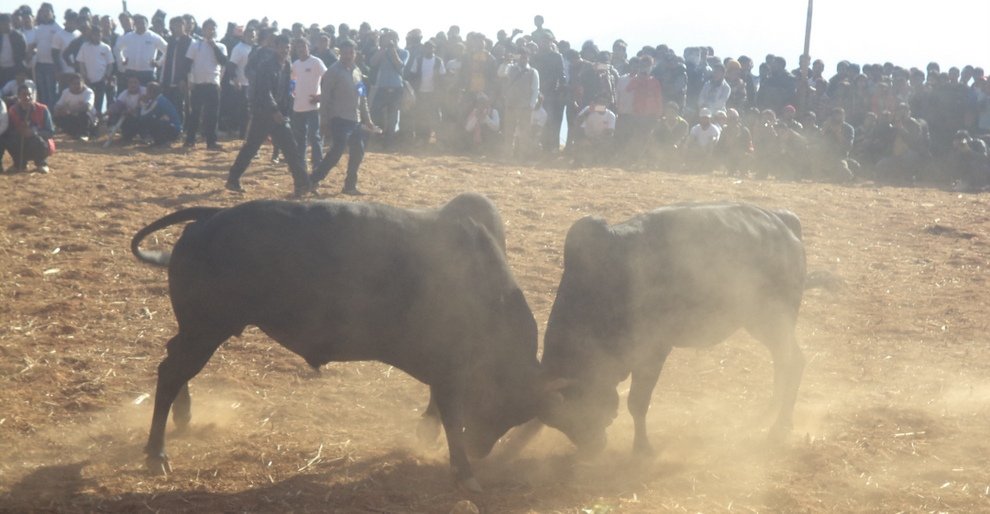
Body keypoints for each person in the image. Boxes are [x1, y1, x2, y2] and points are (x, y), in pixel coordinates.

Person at [226, 34, 311, 196]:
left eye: (287, 47)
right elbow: (264, 91)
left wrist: (283, 111)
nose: (284, 50)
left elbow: (286, 91)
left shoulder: (287, 65)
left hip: (277, 114)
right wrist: (274, 111)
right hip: (263, 114)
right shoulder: (266, 66)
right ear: (275, 47)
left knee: (290, 148)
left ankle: (302, 184)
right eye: (281, 47)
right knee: (251, 148)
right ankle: (233, 178)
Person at [311, 37, 378, 195]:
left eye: (351, 52)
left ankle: (349, 186)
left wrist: (368, 120)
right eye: (345, 53)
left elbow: (363, 98)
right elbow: (325, 97)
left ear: (355, 54)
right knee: (337, 151)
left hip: (354, 119)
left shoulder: (357, 72)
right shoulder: (333, 72)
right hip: (339, 118)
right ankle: (313, 179)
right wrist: (324, 121)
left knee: (358, 151)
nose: (348, 55)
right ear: (340, 53)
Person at [183, 18, 226, 150]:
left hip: (213, 83)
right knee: (195, 113)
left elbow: (223, 61)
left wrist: (213, 45)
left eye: (213, 28)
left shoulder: (221, 46)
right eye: (208, 28)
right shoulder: (195, 44)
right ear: (203, 30)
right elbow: (187, 64)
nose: (211, 31)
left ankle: (211, 142)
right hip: (198, 83)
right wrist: (190, 80)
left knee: (212, 114)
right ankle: (190, 140)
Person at [290, 37, 327, 172]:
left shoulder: (316, 62)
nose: (301, 49)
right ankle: (302, 164)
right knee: (300, 138)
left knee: (314, 136)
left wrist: (321, 96)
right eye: (298, 47)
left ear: (308, 48)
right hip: (298, 106)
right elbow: (292, 80)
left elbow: (328, 78)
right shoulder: (295, 64)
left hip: (313, 106)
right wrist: (292, 93)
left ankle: (317, 164)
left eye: (303, 46)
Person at [497, 46, 540, 158]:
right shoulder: (510, 68)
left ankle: (522, 155)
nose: (523, 59)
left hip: (525, 106)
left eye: (525, 57)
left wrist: (531, 105)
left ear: (528, 58)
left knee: (524, 132)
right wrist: (506, 62)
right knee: (509, 131)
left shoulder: (533, 72)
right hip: (511, 104)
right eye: (521, 56)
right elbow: (500, 73)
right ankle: (508, 154)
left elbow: (535, 89)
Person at [369, 29, 408, 150]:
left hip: (396, 88)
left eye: (393, 39)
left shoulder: (404, 52)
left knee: (393, 116)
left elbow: (400, 64)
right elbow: (372, 63)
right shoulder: (382, 52)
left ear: (397, 40)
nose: (391, 41)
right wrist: (383, 48)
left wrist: (392, 50)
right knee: (375, 113)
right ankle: (378, 137)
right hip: (382, 87)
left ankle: (389, 142)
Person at [4, 84, 55, 172]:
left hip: (38, 141)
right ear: (18, 96)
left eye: (29, 94)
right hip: (20, 140)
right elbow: (10, 130)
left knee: (37, 140)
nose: (27, 97)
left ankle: (41, 163)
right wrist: (20, 131)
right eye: (24, 94)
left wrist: (34, 132)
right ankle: (20, 163)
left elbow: (50, 132)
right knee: (8, 139)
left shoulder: (43, 109)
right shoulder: (13, 110)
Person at [113, 14, 167, 84]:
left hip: (147, 72)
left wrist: (158, 63)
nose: (141, 25)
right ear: (134, 25)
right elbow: (117, 49)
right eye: (138, 23)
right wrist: (121, 61)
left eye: (143, 23)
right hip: (130, 71)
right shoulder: (128, 37)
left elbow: (167, 50)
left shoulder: (154, 37)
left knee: (146, 94)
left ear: (147, 24)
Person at [74, 25, 114, 114]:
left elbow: (110, 64)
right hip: (87, 80)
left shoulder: (106, 47)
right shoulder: (85, 46)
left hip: (101, 80)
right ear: (91, 35)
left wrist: (106, 76)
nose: (96, 36)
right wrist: (84, 76)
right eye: (95, 34)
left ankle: (98, 121)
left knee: (99, 102)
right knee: (88, 101)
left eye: (98, 34)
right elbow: (81, 62)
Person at [160, 16, 192, 117]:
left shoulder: (190, 42)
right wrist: (161, 79)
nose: (177, 28)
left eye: (180, 25)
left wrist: (184, 78)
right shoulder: (170, 41)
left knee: (182, 105)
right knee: (168, 105)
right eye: (174, 25)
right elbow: (166, 60)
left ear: (184, 26)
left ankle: (182, 128)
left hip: (183, 80)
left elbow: (190, 62)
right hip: (168, 79)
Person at [137, 81, 182, 146]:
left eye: (147, 91)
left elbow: (144, 115)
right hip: (171, 127)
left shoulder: (158, 101)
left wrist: (142, 103)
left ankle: (163, 141)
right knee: (153, 120)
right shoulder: (159, 99)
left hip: (173, 129)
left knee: (149, 121)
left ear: (151, 92)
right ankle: (158, 141)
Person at [53, 73, 96, 139]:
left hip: (87, 119)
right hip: (72, 118)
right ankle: (71, 132)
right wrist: (59, 111)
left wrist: (70, 110)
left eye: (78, 83)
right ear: (70, 84)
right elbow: (57, 106)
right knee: (57, 117)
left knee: (84, 114)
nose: (76, 86)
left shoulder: (88, 92)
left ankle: (84, 134)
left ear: (83, 83)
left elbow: (88, 107)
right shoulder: (66, 92)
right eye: (74, 84)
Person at [0, 14, 28, 90]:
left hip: (14, 69)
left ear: (10, 23)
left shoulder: (18, 36)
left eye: (6, 23)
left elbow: (23, 53)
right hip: (1, 69)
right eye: (2, 24)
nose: (4, 26)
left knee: (12, 90)